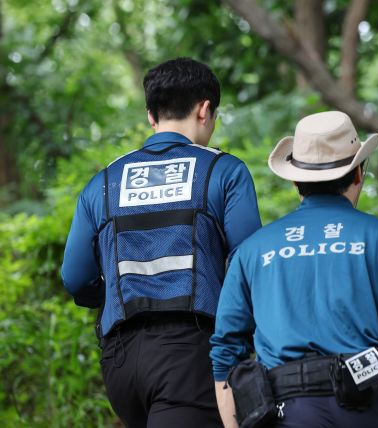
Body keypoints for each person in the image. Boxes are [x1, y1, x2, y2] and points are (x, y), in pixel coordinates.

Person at [210, 111, 378, 428]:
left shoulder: (251, 252)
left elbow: (226, 355)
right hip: (367, 407)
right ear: (358, 173)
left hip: (285, 413)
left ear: (296, 180)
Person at [61, 57, 261, 427]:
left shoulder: (103, 183)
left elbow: (74, 278)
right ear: (205, 110)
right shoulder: (223, 171)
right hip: (190, 358)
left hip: (120, 364)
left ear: (151, 116)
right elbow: (251, 267)